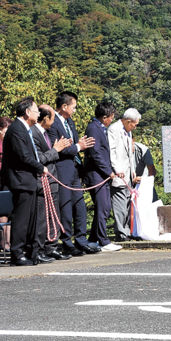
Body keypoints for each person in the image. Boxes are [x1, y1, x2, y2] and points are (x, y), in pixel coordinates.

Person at [47, 91, 99, 256]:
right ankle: (67, 242)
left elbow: (75, 143)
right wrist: (78, 147)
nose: (75, 110)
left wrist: (79, 146)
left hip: (75, 170)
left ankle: (81, 240)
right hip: (62, 170)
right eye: (73, 107)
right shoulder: (53, 123)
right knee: (66, 207)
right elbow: (58, 148)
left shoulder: (69, 122)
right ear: (64, 106)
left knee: (79, 206)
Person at [1, 97, 47, 265]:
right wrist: (41, 167)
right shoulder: (17, 129)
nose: (39, 113)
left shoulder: (25, 129)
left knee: (29, 219)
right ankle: (17, 253)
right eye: (36, 110)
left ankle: (29, 251)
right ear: (28, 112)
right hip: (20, 180)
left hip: (28, 181)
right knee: (21, 219)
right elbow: (23, 156)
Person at [32, 105, 72, 261]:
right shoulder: (34, 134)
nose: (54, 122)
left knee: (54, 216)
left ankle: (52, 246)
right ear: (46, 118)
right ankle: (40, 249)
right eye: (53, 118)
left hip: (52, 180)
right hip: (43, 180)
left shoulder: (45, 133)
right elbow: (39, 159)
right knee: (42, 217)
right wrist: (56, 150)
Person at [83, 102, 122, 251]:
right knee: (103, 207)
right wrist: (109, 171)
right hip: (96, 174)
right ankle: (103, 240)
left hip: (101, 173)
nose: (111, 120)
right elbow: (96, 154)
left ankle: (93, 239)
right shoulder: (94, 128)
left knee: (103, 207)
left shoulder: (100, 128)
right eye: (111, 117)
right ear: (104, 117)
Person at [109, 108, 140, 242]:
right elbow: (112, 151)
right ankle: (121, 233)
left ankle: (126, 231)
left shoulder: (128, 131)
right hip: (119, 174)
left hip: (128, 174)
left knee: (127, 205)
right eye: (135, 124)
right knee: (119, 205)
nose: (135, 127)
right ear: (128, 121)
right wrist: (116, 169)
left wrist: (133, 172)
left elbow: (130, 154)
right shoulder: (114, 129)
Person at [0, 116, 13, 253]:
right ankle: (5, 243)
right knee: (3, 213)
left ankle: (9, 242)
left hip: (9, 180)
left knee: (9, 212)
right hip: (1, 179)